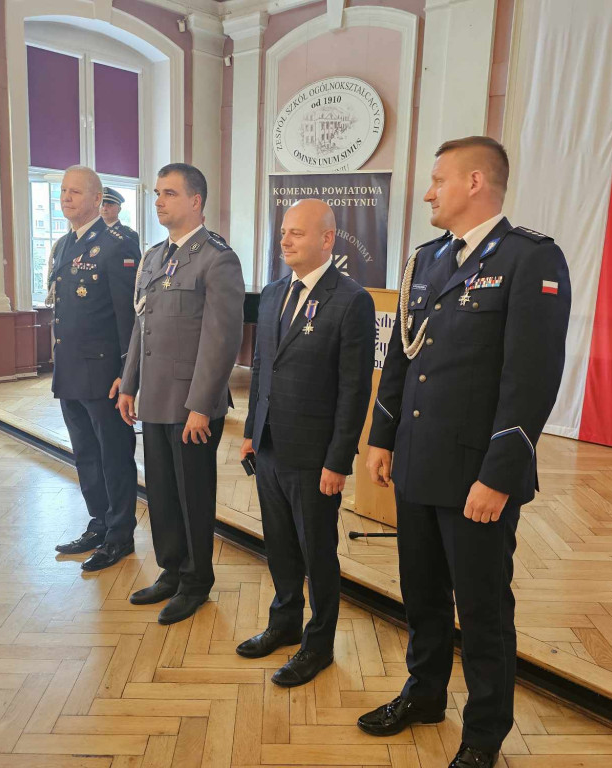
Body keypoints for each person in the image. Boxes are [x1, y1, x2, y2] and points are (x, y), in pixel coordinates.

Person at [356, 137, 571, 768]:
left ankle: (484, 734)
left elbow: (531, 380)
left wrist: (498, 477)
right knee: (421, 598)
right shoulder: (425, 260)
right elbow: (401, 356)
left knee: (482, 611)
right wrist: (382, 438)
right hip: (418, 464)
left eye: (438, 180)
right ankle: (424, 696)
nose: (428, 192)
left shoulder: (532, 259)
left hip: (478, 476)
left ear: (476, 182)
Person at [237, 199, 374, 686]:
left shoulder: (352, 300)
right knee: (279, 547)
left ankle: (318, 647)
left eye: (296, 232)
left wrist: (338, 460)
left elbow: (354, 389)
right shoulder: (273, 293)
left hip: (316, 459)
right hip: (271, 448)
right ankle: (284, 624)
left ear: (327, 239)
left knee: (317, 554)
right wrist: (252, 433)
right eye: (283, 232)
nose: (285, 240)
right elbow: (261, 371)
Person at [117, 163, 244, 625]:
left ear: (196, 201)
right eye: (156, 193)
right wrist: (129, 382)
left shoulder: (217, 259)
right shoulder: (153, 257)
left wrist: (200, 406)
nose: (158, 201)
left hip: (191, 405)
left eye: (169, 193)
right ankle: (171, 570)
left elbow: (220, 341)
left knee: (193, 496)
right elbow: (141, 324)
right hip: (153, 398)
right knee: (163, 494)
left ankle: (196, 582)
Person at [50, 165, 142, 572]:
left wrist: (128, 372)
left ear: (95, 198)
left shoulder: (116, 245)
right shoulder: (66, 245)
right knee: (85, 455)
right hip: (70, 371)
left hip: (105, 375)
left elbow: (129, 317)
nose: (66, 198)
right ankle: (99, 523)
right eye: (63, 191)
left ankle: (120, 534)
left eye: (74, 192)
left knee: (114, 456)